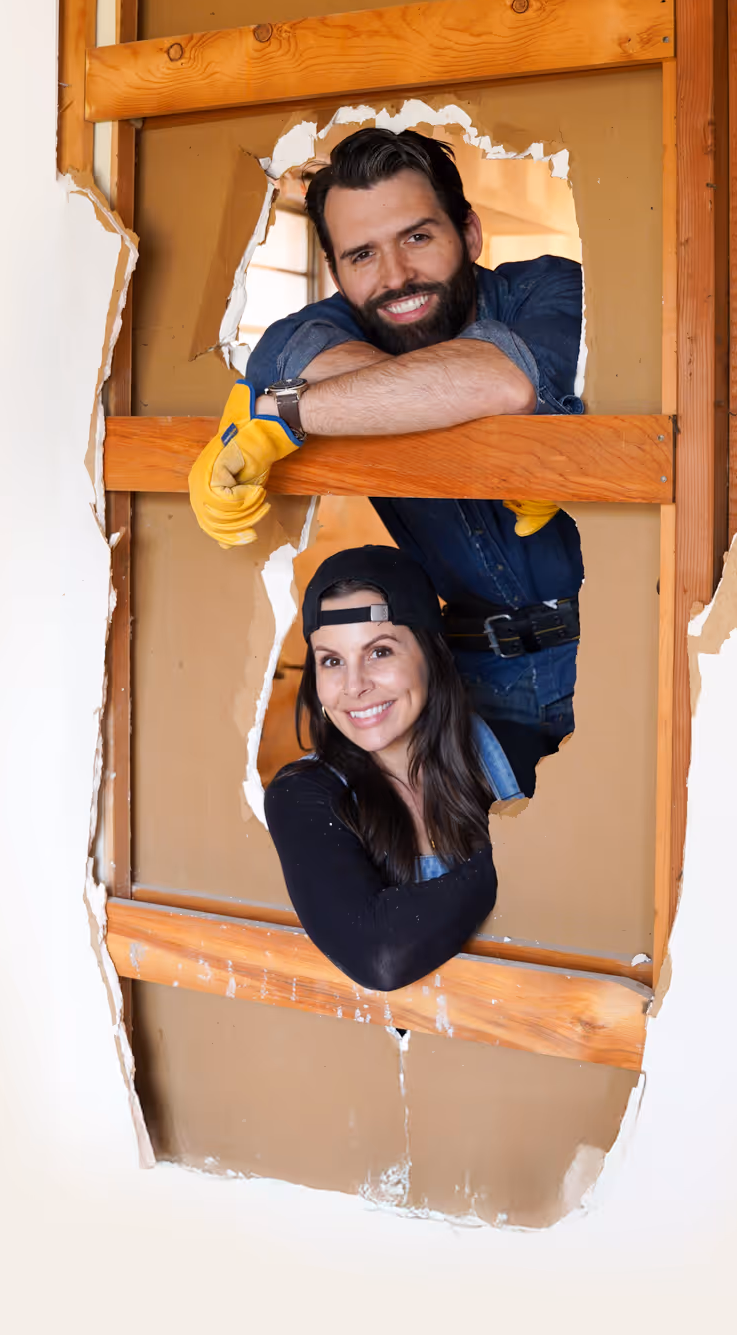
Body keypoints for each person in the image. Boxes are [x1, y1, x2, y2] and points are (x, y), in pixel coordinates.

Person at [189, 126, 584, 794]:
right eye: (362, 254)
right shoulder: (315, 331)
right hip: (469, 682)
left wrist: (286, 412)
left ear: (471, 233)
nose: (395, 276)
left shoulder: (554, 291)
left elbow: (504, 382)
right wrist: (436, 398)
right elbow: (453, 383)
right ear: (337, 272)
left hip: (613, 657)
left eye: (418, 237)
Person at [264, 545, 524, 991]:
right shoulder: (302, 796)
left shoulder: (511, 757)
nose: (355, 685)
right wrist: (523, 858)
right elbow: (381, 955)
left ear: (429, 653)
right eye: (331, 661)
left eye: (379, 652)